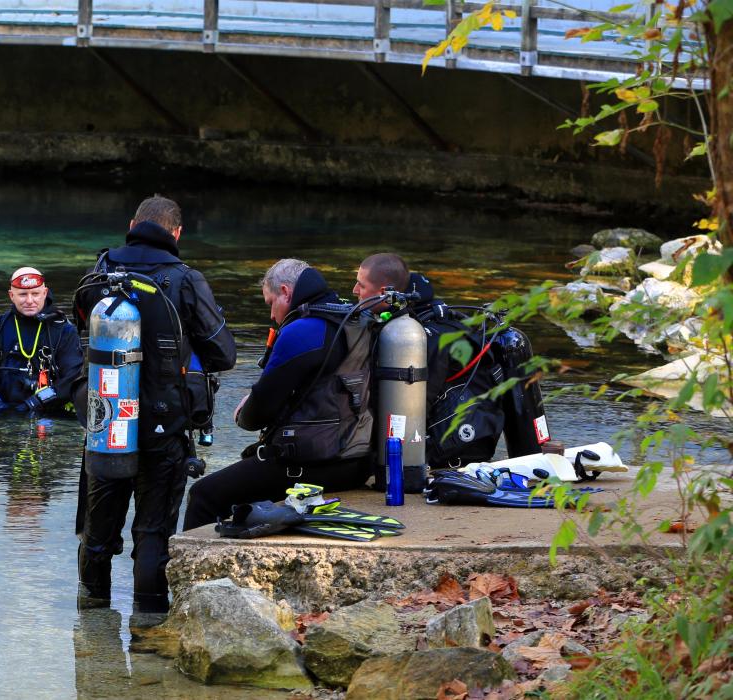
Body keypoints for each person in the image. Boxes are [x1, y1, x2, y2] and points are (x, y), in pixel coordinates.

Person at [73, 195, 236, 612]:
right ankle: (147, 630)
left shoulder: (101, 272)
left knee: (98, 531)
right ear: (177, 233)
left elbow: (80, 333)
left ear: (132, 223)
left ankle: (92, 634)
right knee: (152, 532)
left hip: (107, 419)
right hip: (165, 424)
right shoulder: (184, 279)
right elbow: (224, 354)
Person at [182, 259, 373, 531]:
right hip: (356, 461)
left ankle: (195, 570)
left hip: (313, 465)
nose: (272, 315)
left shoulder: (302, 330)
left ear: (286, 292)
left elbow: (257, 413)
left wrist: (243, 411)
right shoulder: (352, 319)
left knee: (204, 494)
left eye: (271, 303)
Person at [353, 253, 553, 468]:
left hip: (455, 446)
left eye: (361, 286)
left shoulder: (418, 338)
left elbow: (416, 404)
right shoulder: (435, 321)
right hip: (470, 435)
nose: (355, 291)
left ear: (385, 293)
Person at [0, 266, 83, 416]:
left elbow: (73, 378)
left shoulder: (64, 331)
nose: (30, 300)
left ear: (45, 293)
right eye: (23, 294)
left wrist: (34, 403)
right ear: (11, 295)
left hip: (48, 414)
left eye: (35, 294)